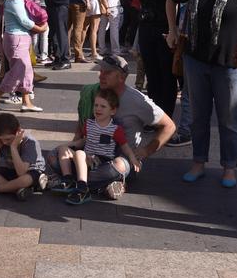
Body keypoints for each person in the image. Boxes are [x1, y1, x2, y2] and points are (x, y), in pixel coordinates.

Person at [166, 0, 237, 187]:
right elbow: (171, 0)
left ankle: (229, 167)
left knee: (229, 119)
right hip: (195, 60)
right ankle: (198, 162)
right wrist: (172, 30)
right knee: (198, 117)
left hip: (230, 64)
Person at [67, 55, 175, 197]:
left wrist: (146, 151)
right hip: (93, 154)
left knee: (114, 167)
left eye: (108, 72)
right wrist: (74, 145)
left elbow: (169, 126)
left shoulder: (137, 101)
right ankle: (96, 183)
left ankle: (76, 180)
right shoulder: (94, 91)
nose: (101, 76)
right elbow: (83, 121)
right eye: (101, 71)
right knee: (57, 155)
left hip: (123, 159)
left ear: (122, 78)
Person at [56, 88, 140, 205]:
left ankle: (82, 188)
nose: (98, 109)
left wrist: (133, 159)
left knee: (80, 154)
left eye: (103, 106)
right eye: (96, 105)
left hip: (102, 161)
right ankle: (68, 179)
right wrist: (68, 145)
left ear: (113, 110)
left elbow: (124, 146)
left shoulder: (115, 129)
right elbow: (84, 141)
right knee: (63, 150)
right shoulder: (89, 124)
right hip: (86, 158)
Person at [138, 0, 181, 118]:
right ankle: (154, 114)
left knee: (167, 75)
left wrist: (174, 32)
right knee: (152, 74)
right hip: (146, 30)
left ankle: (166, 116)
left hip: (166, 32)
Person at [0, 113, 47, 201]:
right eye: (0, 139)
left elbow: (21, 172)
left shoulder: (29, 142)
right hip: (12, 171)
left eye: (8, 139)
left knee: (25, 180)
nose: (5, 142)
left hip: (30, 172)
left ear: (18, 131)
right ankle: (17, 190)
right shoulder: (2, 142)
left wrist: (13, 147)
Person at [28, 0, 50, 64]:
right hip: (44, 6)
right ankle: (44, 55)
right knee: (45, 32)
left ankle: (35, 54)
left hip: (33, 7)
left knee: (35, 32)